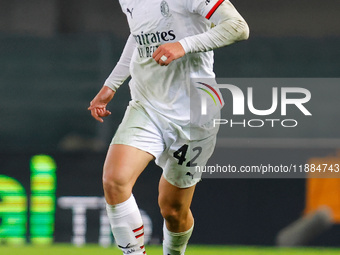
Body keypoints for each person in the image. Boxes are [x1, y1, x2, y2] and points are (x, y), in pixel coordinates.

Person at [88, 0, 249, 254]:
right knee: (114, 180)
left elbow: (239, 27)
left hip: (195, 114)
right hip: (146, 105)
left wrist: (183, 46)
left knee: (173, 210)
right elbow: (139, 35)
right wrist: (111, 85)